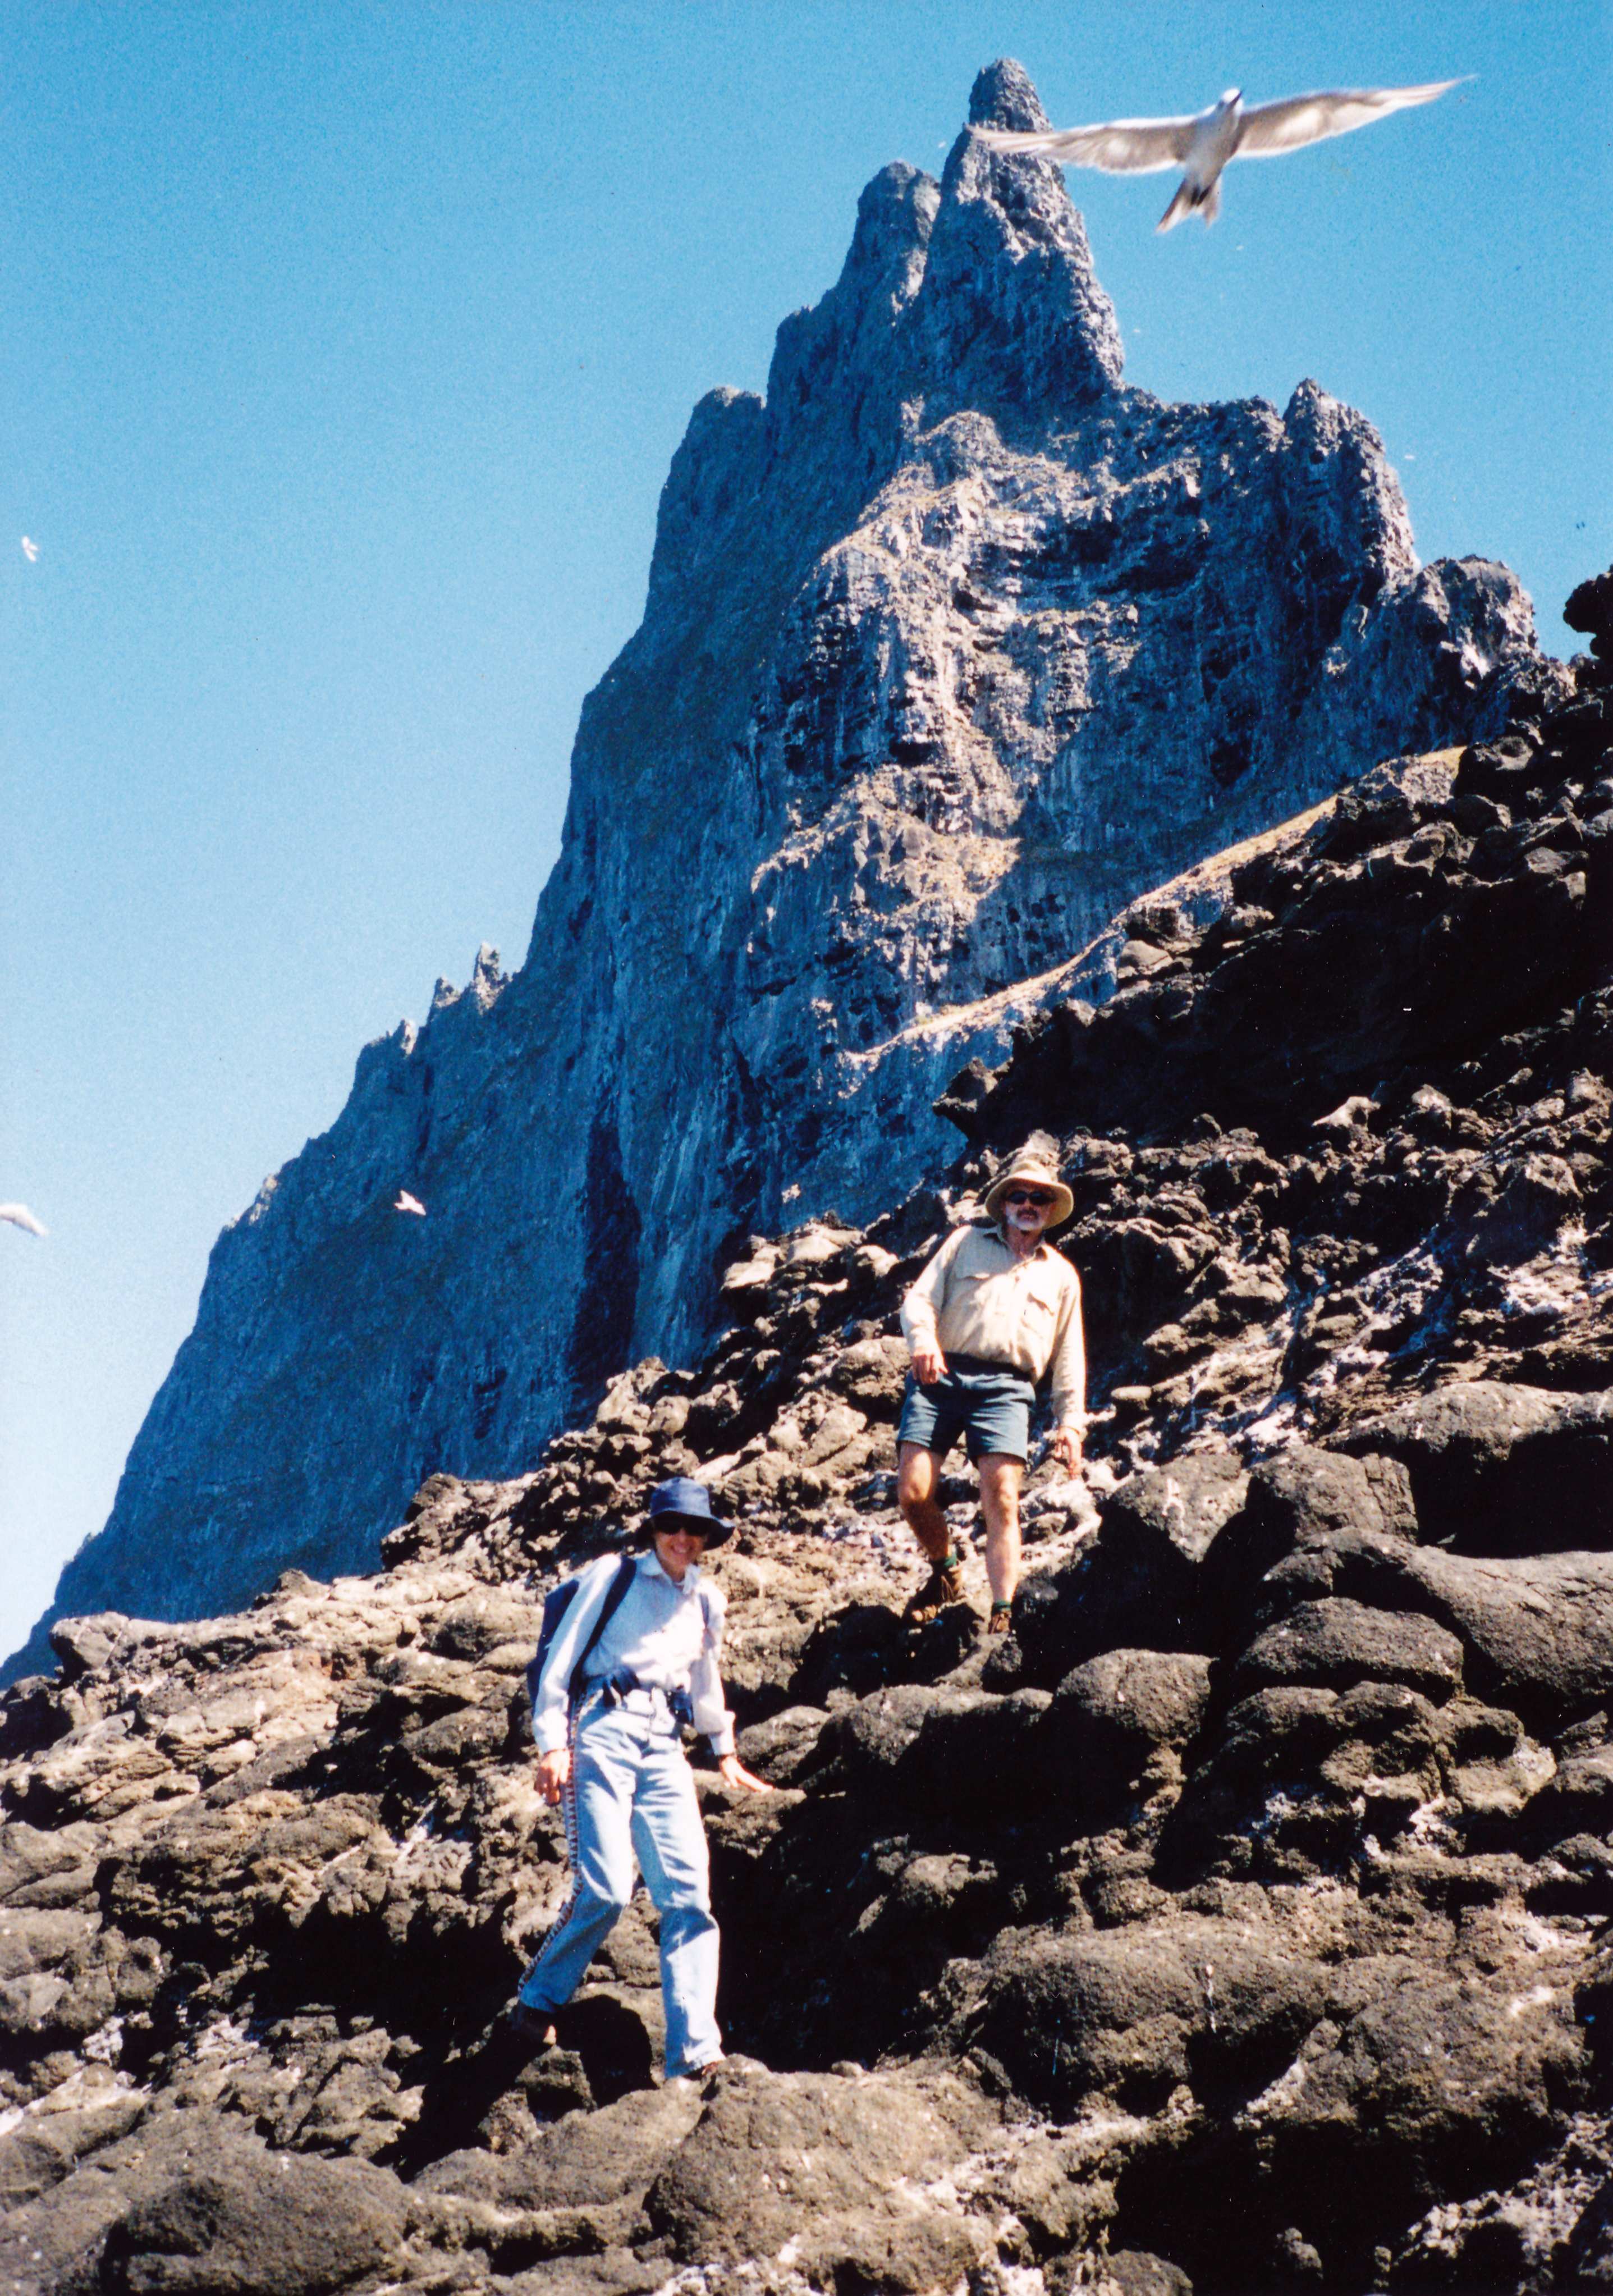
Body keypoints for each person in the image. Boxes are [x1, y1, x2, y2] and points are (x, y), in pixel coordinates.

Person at [511, 1477, 771, 2080]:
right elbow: (560, 1661)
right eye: (672, 1526)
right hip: (600, 1727)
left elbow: (706, 1680)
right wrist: (552, 1743)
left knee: (689, 1897)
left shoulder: (706, 1599)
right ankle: (537, 1998)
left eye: (695, 1529)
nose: (683, 1538)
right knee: (604, 1886)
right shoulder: (613, 1576)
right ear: (653, 1529)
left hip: (664, 1744)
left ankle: (695, 2054)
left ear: (706, 1537)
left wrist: (723, 1750)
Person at [896, 1151, 1085, 1634]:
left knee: (1001, 1497)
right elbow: (919, 1298)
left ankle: (1002, 1610)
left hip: (1008, 1387)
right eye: (1019, 1195)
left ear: (1049, 1209)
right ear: (1003, 1204)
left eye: (1039, 1198)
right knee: (913, 1492)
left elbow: (1069, 1355)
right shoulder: (963, 1242)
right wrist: (924, 1343)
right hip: (942, 1372)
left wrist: (1070, 1423)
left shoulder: (1062, 1276)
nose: (1029, 1204)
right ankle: (946, 1571)